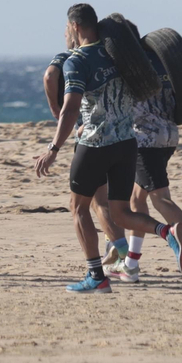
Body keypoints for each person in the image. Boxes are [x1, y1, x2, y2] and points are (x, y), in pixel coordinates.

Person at [33, 4, 182, 293]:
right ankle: (167, 232)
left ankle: (96, 277)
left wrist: (54, 147)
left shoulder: (76, 61)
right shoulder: (119, 56)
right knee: (121, 211)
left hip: (95, 144)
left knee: (78, 209)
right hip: (126, 144)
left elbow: (71, 108)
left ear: (75, 27)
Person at [103, 14, 182, 286]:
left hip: (145, 139)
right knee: (137, 201)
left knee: (160, 199)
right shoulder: (155, 58)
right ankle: (130, 266)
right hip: (169, 134)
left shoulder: (126, 66)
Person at [44, 30, 125, 263]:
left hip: (89, 136)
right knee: (104, 200)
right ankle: (121, 252)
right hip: (119, 135)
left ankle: (120, 255)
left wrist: (56, 112)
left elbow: (50, 76)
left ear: (76, 30)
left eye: (67, 30)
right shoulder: (108, 56)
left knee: (84, 204)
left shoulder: (70, 57)